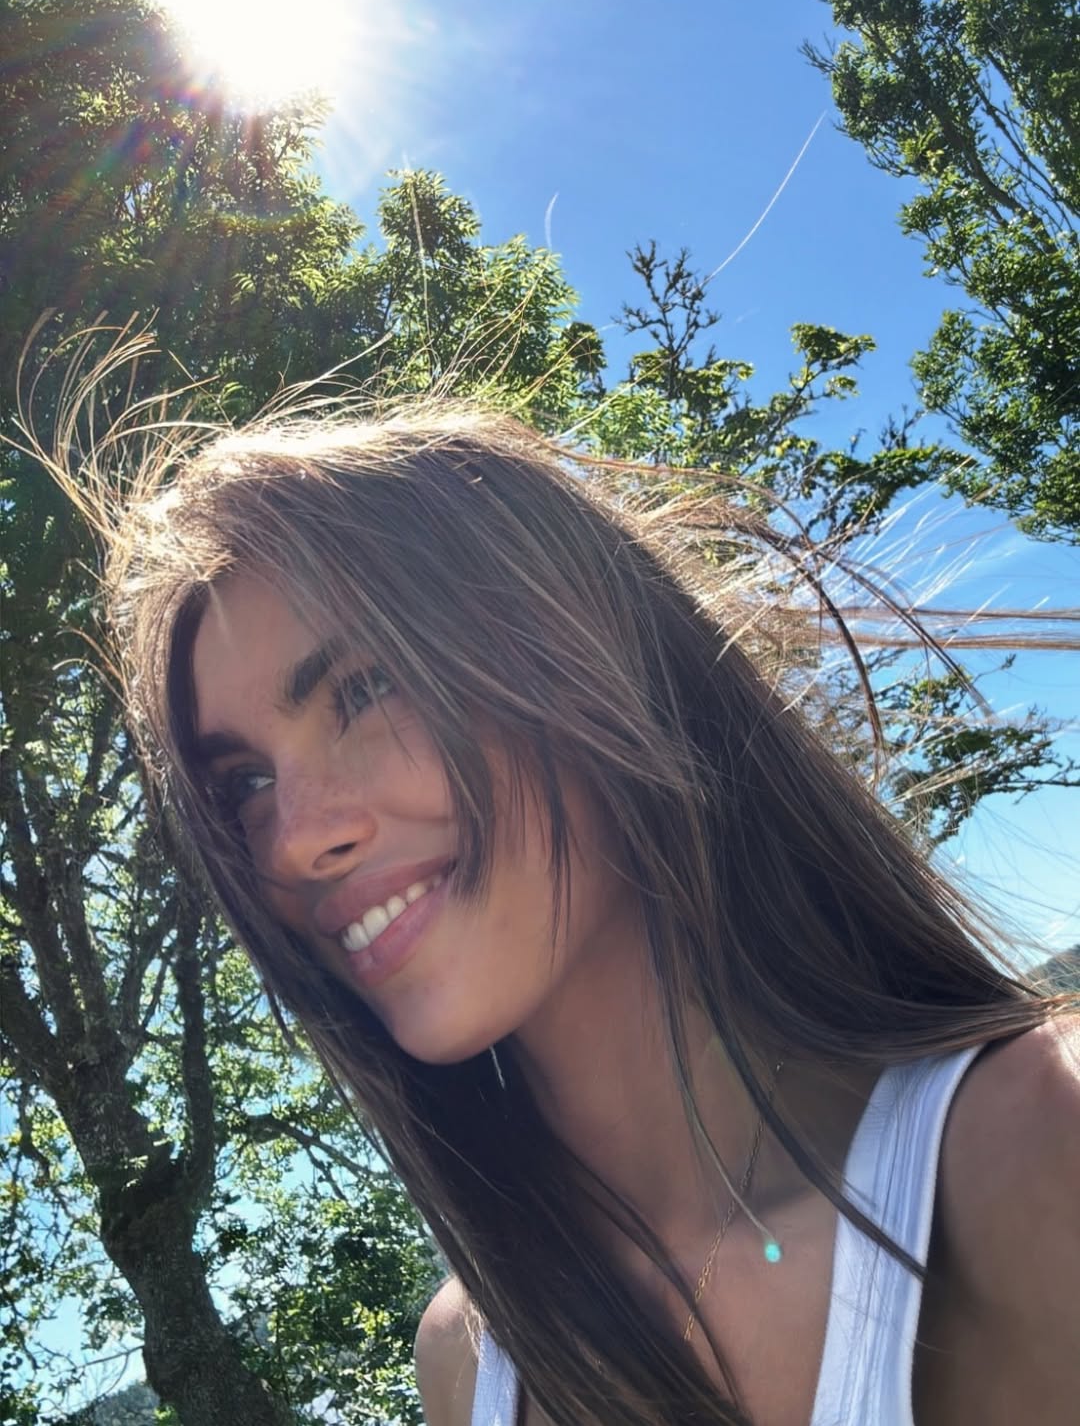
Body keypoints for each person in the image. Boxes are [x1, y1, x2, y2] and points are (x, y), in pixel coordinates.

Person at [95, 400, 1078, 1426]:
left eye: (368, 686)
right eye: (246, 783)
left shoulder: (1042, 1142)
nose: (295, 840)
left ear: (581, 647)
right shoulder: (467, 1362)